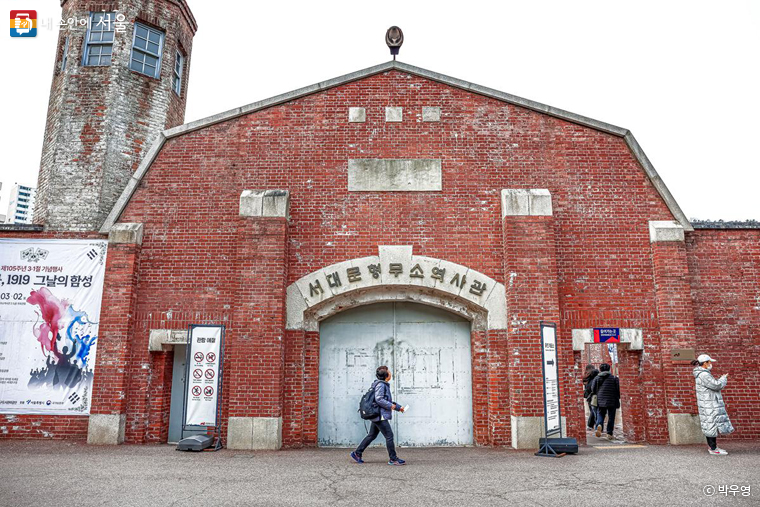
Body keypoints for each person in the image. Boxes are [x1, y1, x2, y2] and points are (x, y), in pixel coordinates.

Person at [350, 365, 406, 465]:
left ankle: (357, 453)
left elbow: (386, 400)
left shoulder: (381, 384)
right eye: (389, 372)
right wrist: (392, 407)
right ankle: (393, 459)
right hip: (380, 415)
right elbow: (379, 399)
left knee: (372, 435)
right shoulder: (381, 385)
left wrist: (398, 407)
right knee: (389, 436)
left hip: (378, 414)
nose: (390, 373)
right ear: (386, 375)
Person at [692, 354, 734, 455]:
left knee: (710, 424)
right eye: (709, 362)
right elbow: (716, 385)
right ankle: (713, 449)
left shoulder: (702, 373)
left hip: (707, 402)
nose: (711, 364)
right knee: (710, 424)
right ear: (705, 363)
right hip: (709, 403)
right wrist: (723, 379)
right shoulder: (704, 374)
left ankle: (713, 447)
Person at [591, 363, 620, 440]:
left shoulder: (597, 378)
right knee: (611, 417)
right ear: (609, 369)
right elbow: (618, 389)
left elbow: (593, 389)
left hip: (601, 400)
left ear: (600, 369)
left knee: (600, 414)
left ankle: (599, 425)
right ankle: (609, 433)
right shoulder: (614, 378)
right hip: (612, 400)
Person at [583, 364, 599, 429]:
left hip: (588, 395)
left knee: (592, 409)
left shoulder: (586, 375)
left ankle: (593, 423)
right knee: (594, 410)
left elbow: (585, 385)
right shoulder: (594, 375)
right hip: (593, 395)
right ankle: (591, 424)